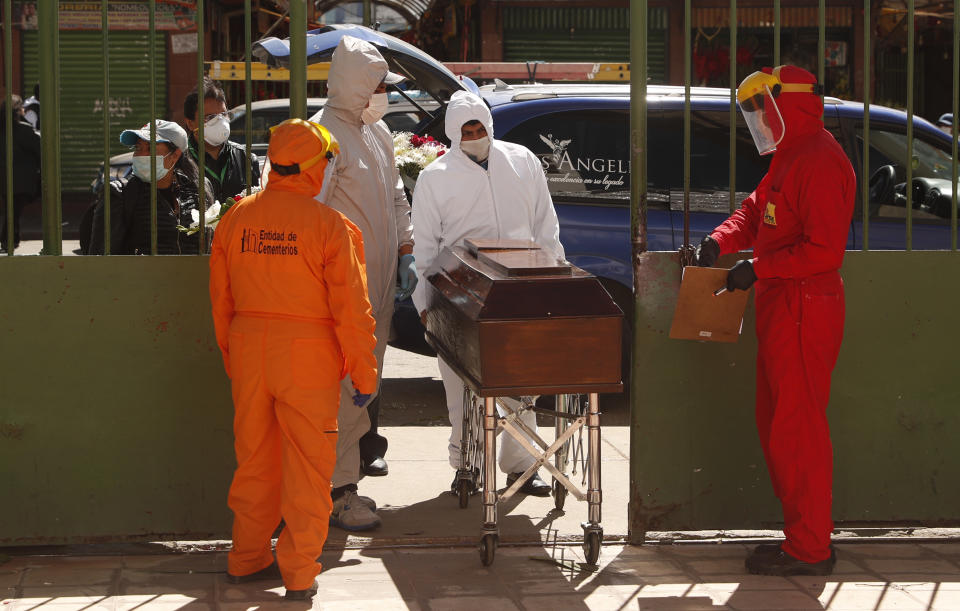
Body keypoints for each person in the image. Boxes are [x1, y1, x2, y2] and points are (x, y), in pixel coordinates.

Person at [694, 65, 855, 576]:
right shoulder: (790, 156)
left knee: (798, 431)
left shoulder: (821, 162)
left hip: (805, 308)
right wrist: (721, 239)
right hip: (785, 308)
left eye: (764, 106)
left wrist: (758, 268)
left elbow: (825, 252)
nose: (759, 117)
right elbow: (755, 209)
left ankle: (811, 548)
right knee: (779, 429)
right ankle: (800, 539)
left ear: (790, 102)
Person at [209, 118, 378, 601]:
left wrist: (234, 356)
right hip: (306, 358)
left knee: (256, 462)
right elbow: (353, 309)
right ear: (311, 168)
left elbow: (220, 299)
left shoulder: (237, 217)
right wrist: (364, 371)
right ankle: (299, 574)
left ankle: (246, 558)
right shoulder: (328, 226)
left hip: (249, 351)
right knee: (308, 469)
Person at [411, 90, 563, 497]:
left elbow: (545, 225)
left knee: (522, 383)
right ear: (452, 134)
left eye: (479, 128)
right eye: (466, 131)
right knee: (460, 387)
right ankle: (466, 467)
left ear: (490, 126)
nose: (475, 135)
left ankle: (522, 466)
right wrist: (425, 303)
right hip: (460, 293)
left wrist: (552, 278)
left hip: (520, 288)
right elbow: (425, 246)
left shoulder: (522, 161)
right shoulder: (435, 177)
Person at [312, 35, 415, 531]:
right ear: (355, 87)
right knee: (341, 393)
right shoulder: (321, 138)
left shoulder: (374, 132)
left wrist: (407, 249)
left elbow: (396, 196)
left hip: (377, 291)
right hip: (339, 295)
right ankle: (337, 491)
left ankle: (344, 481)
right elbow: (307, 218)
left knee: (362, 390)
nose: (385, 95)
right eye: (378, 86)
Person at [89, 119, 213, 255]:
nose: (140, 155)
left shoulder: (199, 189)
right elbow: (100, 258)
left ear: (175, 155)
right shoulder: (119, 194)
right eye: (138, 148)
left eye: (150, 148)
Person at [183, 77, 260, 204]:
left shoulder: (246, 158)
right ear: (190, 124)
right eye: (210, 117)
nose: (220, 121)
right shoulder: (180, 160)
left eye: (223, 114)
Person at [0, 94, 41, 252]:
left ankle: (11, 240)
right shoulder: (25, 130)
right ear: (18, 111)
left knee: (12, 210)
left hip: (5, 179)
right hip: (23, 181)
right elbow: (40, 151)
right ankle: (8, 240)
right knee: (14, 211)